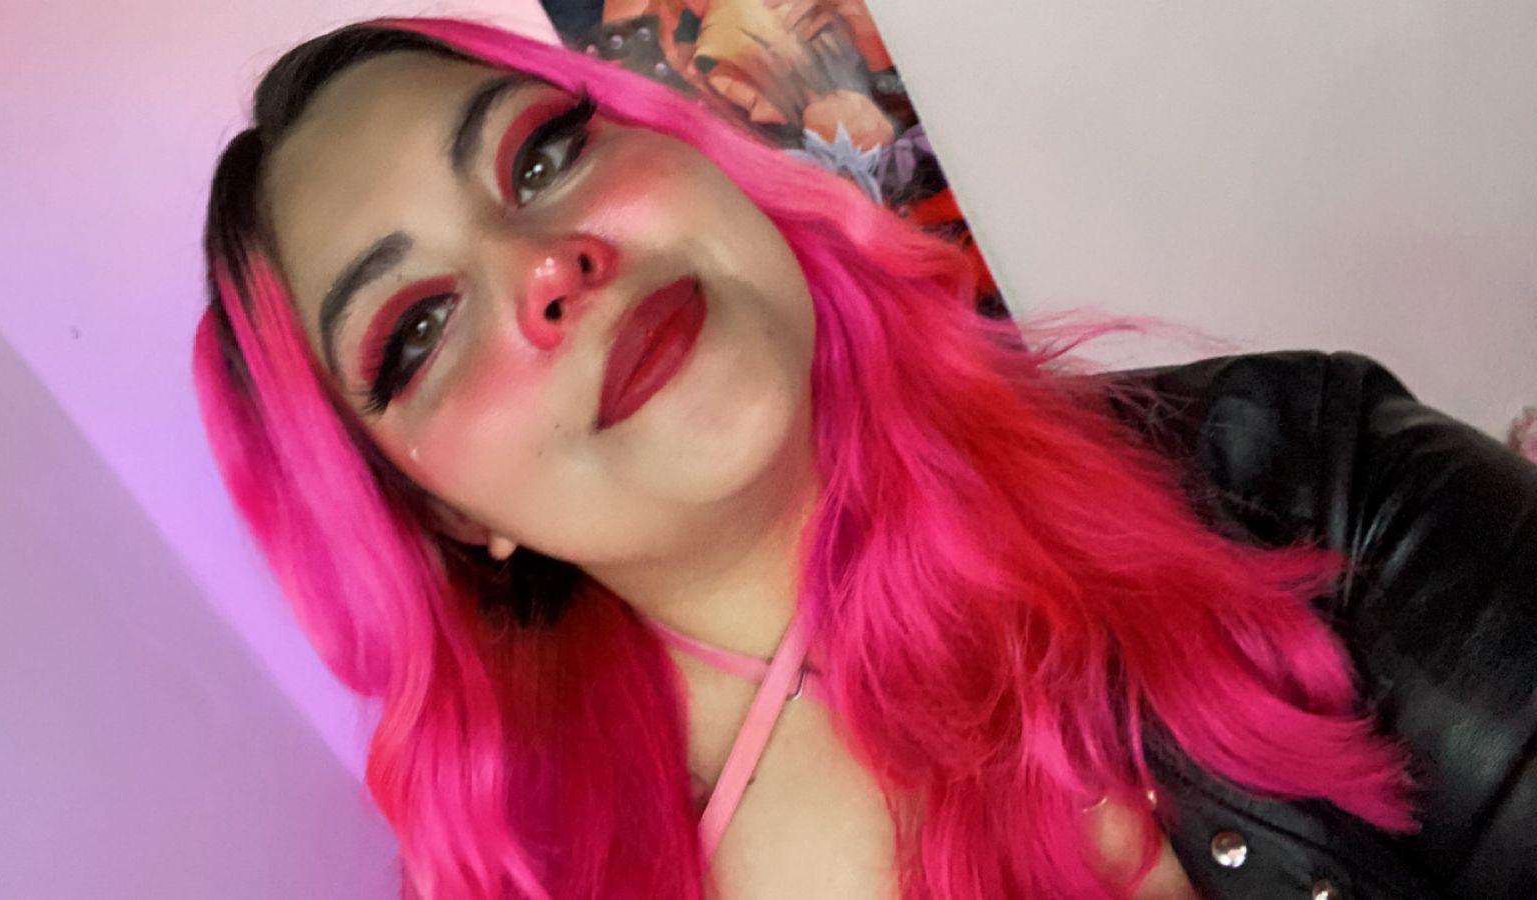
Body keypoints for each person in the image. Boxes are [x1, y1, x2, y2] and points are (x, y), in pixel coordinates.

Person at [192, 17, 1537, 900]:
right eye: (419, 330)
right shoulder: (538, 871)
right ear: (435, 514)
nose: (549, 267)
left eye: (541, 156)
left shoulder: (1301, 486)